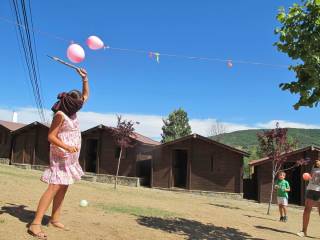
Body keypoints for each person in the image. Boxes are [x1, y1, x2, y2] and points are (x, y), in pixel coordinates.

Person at [27, 68, 89, 239]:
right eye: (77, 105)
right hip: (60, 156)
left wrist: (84, 79)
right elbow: (51, 136)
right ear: (70, 103)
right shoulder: (60, 115)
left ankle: (55, 218)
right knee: (54, 187)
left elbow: (85, 96)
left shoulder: (74, 111)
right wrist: (67, 147)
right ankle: (35, 224)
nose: (80, 107)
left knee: (64, 186)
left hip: (70, 159)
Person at [297, 159, 320, 237]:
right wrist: (308, 177)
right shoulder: (315, 165)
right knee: (307, 210)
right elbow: (312, 176)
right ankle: (304, 231)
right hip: (311, 189)